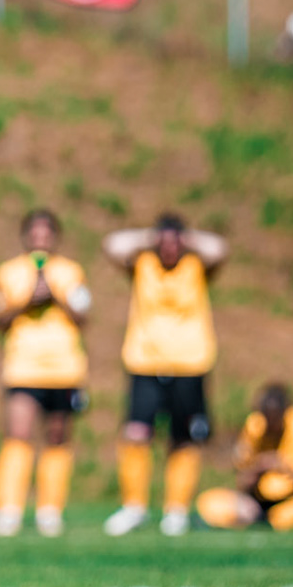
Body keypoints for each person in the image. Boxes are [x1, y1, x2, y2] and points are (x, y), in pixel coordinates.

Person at [100, 214, 229, 537]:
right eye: (164, 241)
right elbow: (112, 244)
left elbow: (221, 249)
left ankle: (176, 510)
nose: (170, 248)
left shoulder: (196, 267)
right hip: (145, 363)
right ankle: (135, 507)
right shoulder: (143, 264)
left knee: (183, 438)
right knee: (136, 433)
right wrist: (152, 236)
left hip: (190, 363)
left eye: (175, 242)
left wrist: (187, 238)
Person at [0, 208, 92, 537]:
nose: (40, 240)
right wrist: (26, 302)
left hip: (64, 368)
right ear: (25, 236)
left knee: (58, 439)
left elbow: (83, 316)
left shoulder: (71, 272)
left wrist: (56, 297)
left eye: (47, 234)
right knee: (18, 435)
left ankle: (50, 510)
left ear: (55, 237)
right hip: (24, 367)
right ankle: (9, 510)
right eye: (35, 234)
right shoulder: (8, 273)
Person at [196, 383, 293, 531]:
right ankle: (261, 518)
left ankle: (276, 520)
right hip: (260, 500)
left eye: (275, 419)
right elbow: (242, 481)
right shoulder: (255, 427)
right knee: (208, 501)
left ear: (285, 413)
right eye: (267, 419)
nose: (271, 426)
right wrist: (258, 468)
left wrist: (290, 471)